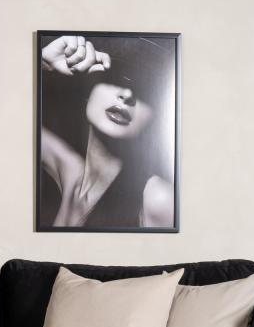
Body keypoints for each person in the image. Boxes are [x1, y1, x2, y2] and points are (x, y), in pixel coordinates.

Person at [38, 33, 176, 229]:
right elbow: (6, 120)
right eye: (115, 77)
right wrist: (43, 63)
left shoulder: (159, 199)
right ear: (88, 90)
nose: (127, 94)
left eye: (144, 88)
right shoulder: (69, 169)